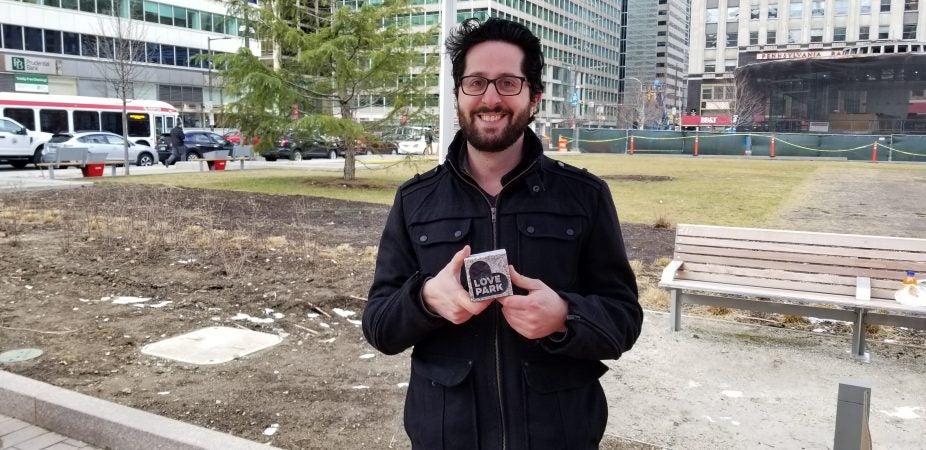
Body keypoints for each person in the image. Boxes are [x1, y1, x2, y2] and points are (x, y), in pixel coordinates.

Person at [362, 18, 642, 449]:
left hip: (559, 435)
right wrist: (426, 300)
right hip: (446, 435)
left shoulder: (584, 196)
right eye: (475, 82)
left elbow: (624, 320)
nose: (490, 98)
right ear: (458, 95)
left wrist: (565, 316)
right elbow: (379, 327)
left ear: (534, 98)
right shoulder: (415, 200)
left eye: (509, 83)